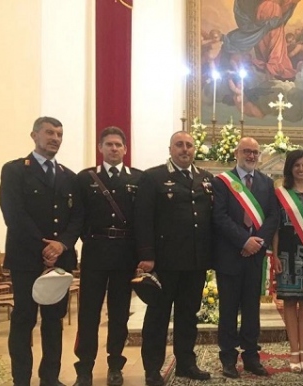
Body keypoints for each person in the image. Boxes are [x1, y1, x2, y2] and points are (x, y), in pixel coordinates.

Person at [0, 116, 83, 386]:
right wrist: (44, 246)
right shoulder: (15, 171)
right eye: (49, 133)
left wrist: (63, 244)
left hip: (60, 259)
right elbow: (14, 213)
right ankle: (21, 379)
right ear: (34, 135)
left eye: (59, 134)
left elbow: (78, 217)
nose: (55, 138)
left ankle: (50, 377)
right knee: (24, 319)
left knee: (53, 321)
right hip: (27, 258)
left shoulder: (68, 177)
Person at [134, 131, 214, 385]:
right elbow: (143, 219)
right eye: (179, 145)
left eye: (189, 145)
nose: (185, 149)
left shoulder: (205, 178)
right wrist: (146, 255)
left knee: (188, 315)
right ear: (170, 149)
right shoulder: (154, 177)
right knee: (158, 316)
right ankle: (152, 369)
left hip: (195, 262)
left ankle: (186, 363)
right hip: (164, 262)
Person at [72, 127, 142, 386]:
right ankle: (84, 368)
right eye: (109, 144)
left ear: (125, 149)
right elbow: (77, 215)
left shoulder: (137, 179)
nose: (114, 149)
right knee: (88, 313)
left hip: (125, 255)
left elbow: (141, 220)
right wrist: (86, 239)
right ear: (100, 148)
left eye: (118, 145)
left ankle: (115, 364)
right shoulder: (85, 178)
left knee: (120, 312)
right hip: (95, 254)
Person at [212, 137, 280, 378]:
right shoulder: (222, 182)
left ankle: (251, 357)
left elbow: (273, 215)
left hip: (254, 257)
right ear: (236, 152)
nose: (251, 156)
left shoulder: (265, 182)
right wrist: (244, 240)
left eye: (255, 152)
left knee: (252, 310)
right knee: (228, 310)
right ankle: (228, 359)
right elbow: (219, 217)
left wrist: (257, 242)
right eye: (247, 151)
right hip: (230, 255)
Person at [271, 150, 303, 372]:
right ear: (290, 168)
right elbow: (274, 227)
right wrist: (274, 255)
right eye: (297, 165)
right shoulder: (280, 194)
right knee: (290, 302)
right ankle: (294, 350)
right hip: (287, 253)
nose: (301, 169)